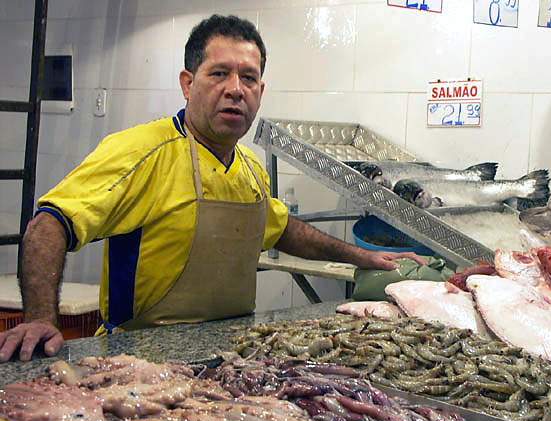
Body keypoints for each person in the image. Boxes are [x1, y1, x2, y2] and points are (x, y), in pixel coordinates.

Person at [0, 15, 424, 362]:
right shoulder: (142, 151)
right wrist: (40, 319)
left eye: (249, 78)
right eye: (219, 73)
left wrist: (365, 256)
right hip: (140, 358)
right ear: (188, 83)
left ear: (261, 91)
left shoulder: (250, 169)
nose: (235, 90)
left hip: (233, 356)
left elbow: (283, 230)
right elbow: (49, 224)